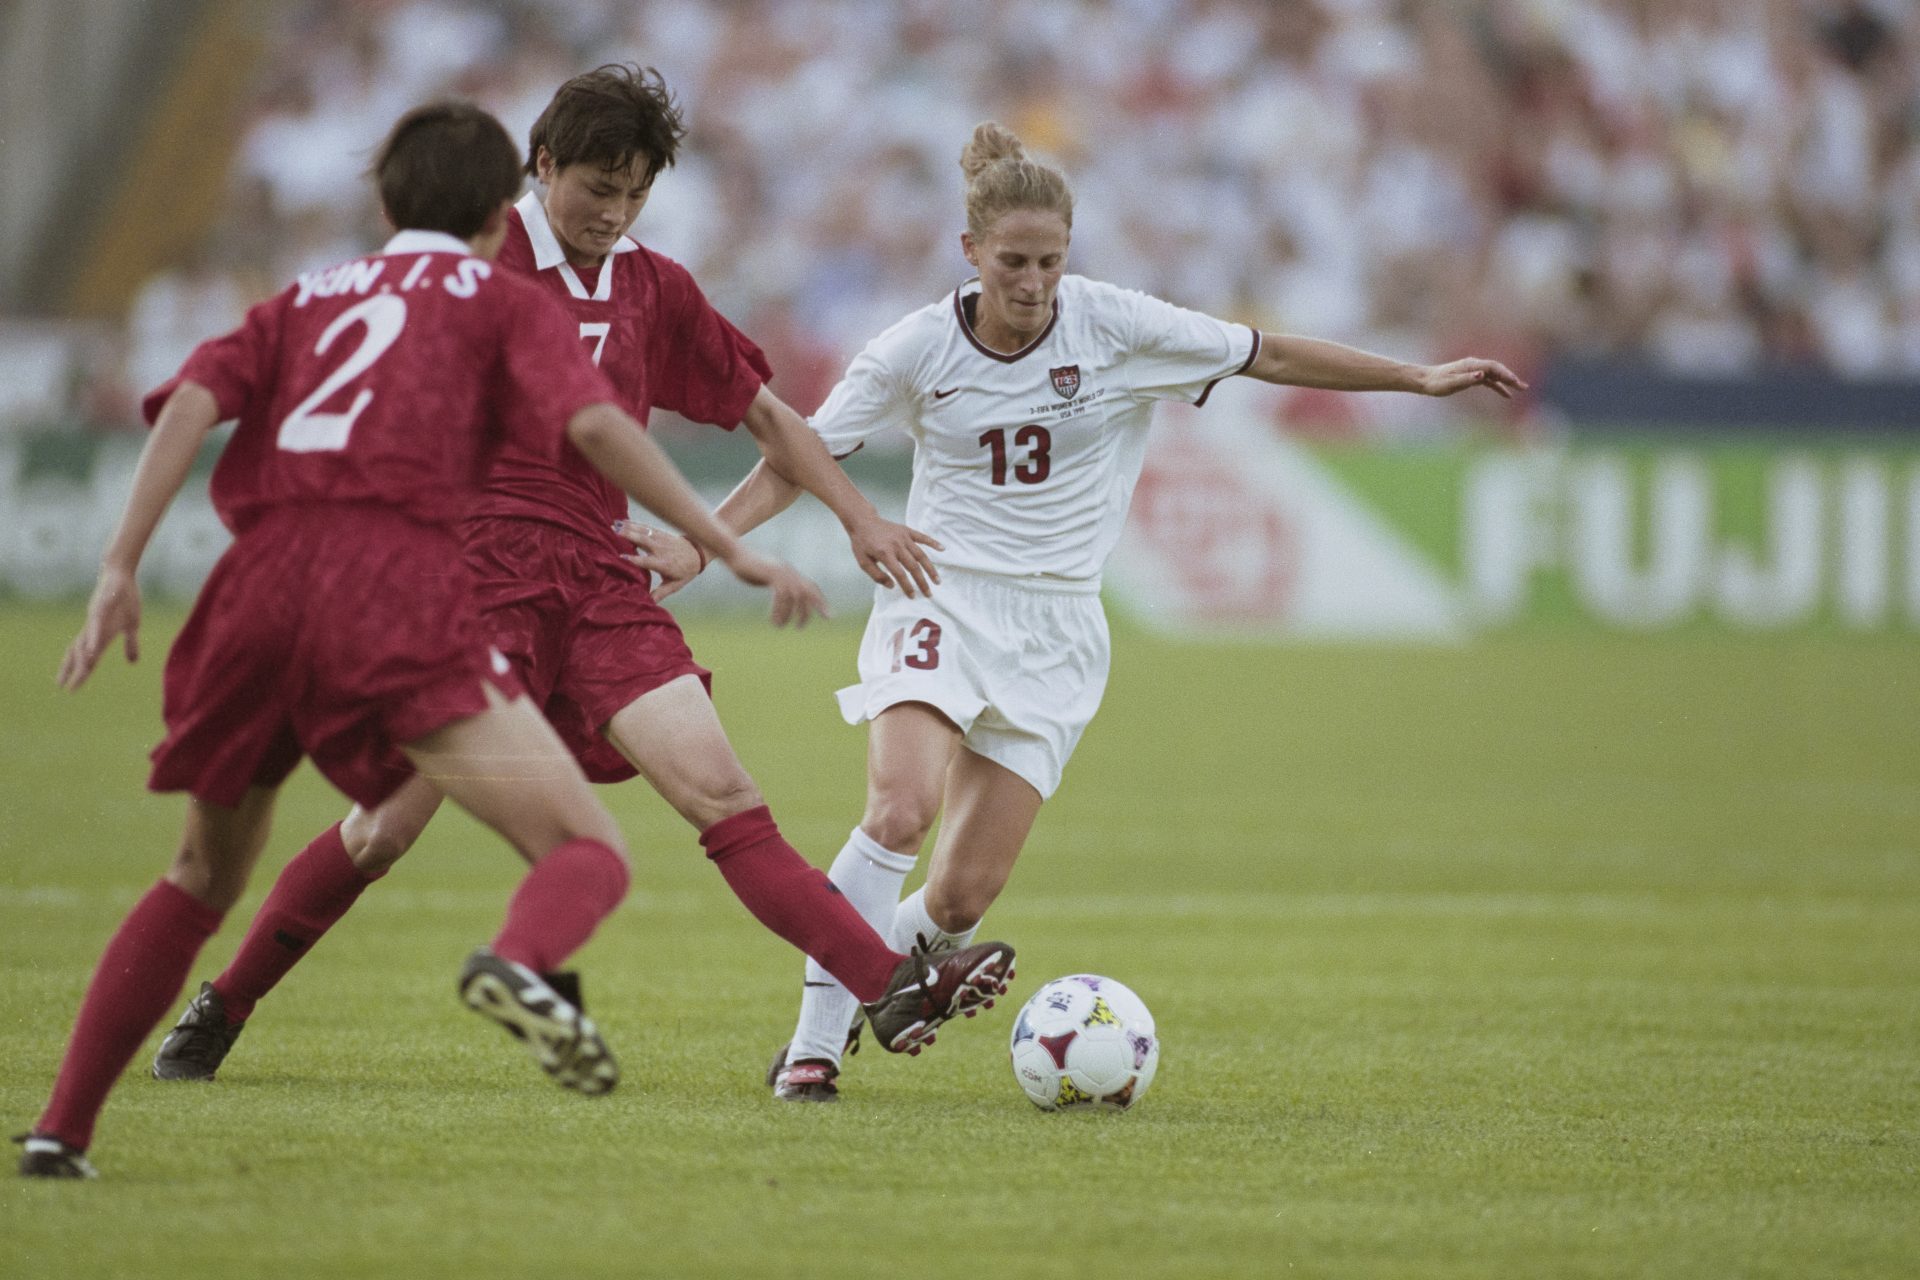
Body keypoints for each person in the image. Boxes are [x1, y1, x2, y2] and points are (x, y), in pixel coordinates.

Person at [15, 100, 839, 1178]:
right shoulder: (494, 300)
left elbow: (184, 407)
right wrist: (720, 545)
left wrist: (119, 565)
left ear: (385, 200)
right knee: (582, 847)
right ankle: (516, 958)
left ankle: (60, 1128)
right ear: (505, 210)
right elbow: (593, 425)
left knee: (201, 874)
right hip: (398, 593)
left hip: (257, 588)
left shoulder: (312, 294)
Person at [147, 66, 1013, 1089]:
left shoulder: (654, 283)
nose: (615, 211)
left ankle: (885, 982)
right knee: (384, 829)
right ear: (542, 166)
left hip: (601, 577)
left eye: (635, 191)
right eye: (598, 186)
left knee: (724, 790)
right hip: (478, 577)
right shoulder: (479, 260)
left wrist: (860, 516)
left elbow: (772, 418)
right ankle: (224, 1002)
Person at [662, 122, 1526, 1102]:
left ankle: (895, 979)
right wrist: (702, 544)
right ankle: (814, 1051)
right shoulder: (913, 346)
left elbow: (1269, 352)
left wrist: (1415, 376)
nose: (1034, 282)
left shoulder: (1116, 325)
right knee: (901, 805)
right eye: (1014, 262)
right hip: (938, 593)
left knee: (960, 895)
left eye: (1051, 262)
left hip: (1059, 629)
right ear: (971, 253)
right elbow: (801, 453)